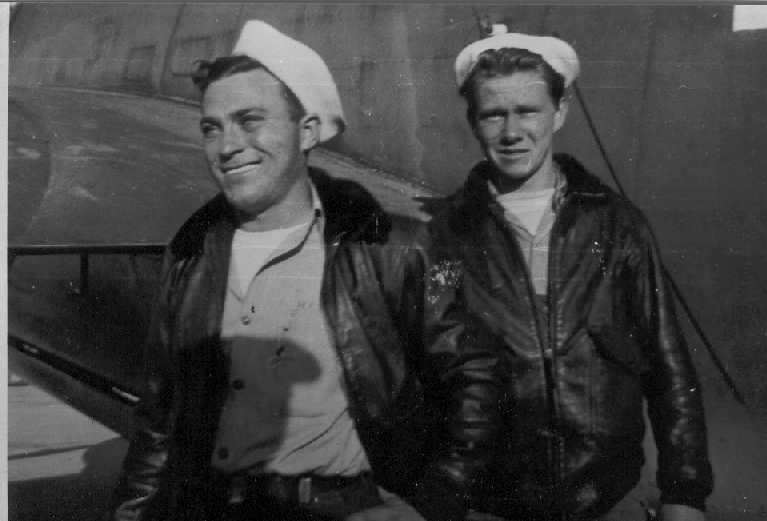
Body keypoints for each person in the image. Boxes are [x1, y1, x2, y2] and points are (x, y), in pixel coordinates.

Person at [109, 20, 498, 521]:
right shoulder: (190, 254)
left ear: (307, 130)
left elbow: (476, 378)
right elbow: (158, 421)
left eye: (250, 120)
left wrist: (432, 504)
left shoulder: (394, 246)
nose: (227, 146)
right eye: (212, 127)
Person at [427, 25, 714, 521]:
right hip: (492, 505)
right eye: (493, 114)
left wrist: (684, 493)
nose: (511, 132)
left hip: (606, 498)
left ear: (559, 112)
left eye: (528, 111)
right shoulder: (445, 234)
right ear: (473, 120)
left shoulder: (616, 223)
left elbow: (668, 365)